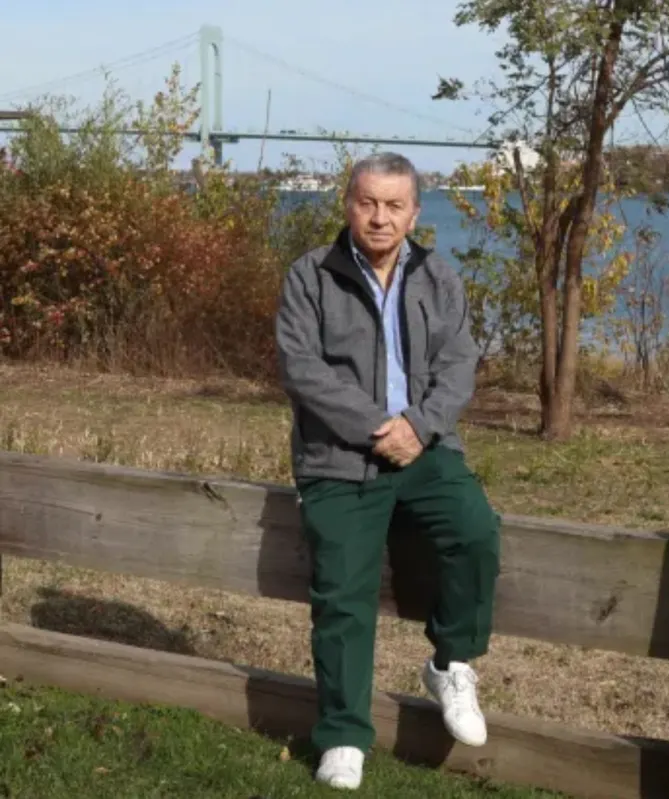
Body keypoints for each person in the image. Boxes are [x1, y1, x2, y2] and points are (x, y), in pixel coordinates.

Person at [275, 152, 500, 791]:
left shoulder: (439, 276)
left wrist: (419, 429)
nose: (379, 217)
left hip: (425, 450)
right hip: (339, 460)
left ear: (414, 213)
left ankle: (452, 663)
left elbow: (459, 365)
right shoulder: (310, 275)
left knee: (475, 531)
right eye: (368, 202)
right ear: (348, 204)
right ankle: (344, 736)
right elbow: (301, 369)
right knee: (343, 594)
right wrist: (381, 428)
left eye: (393, 205)